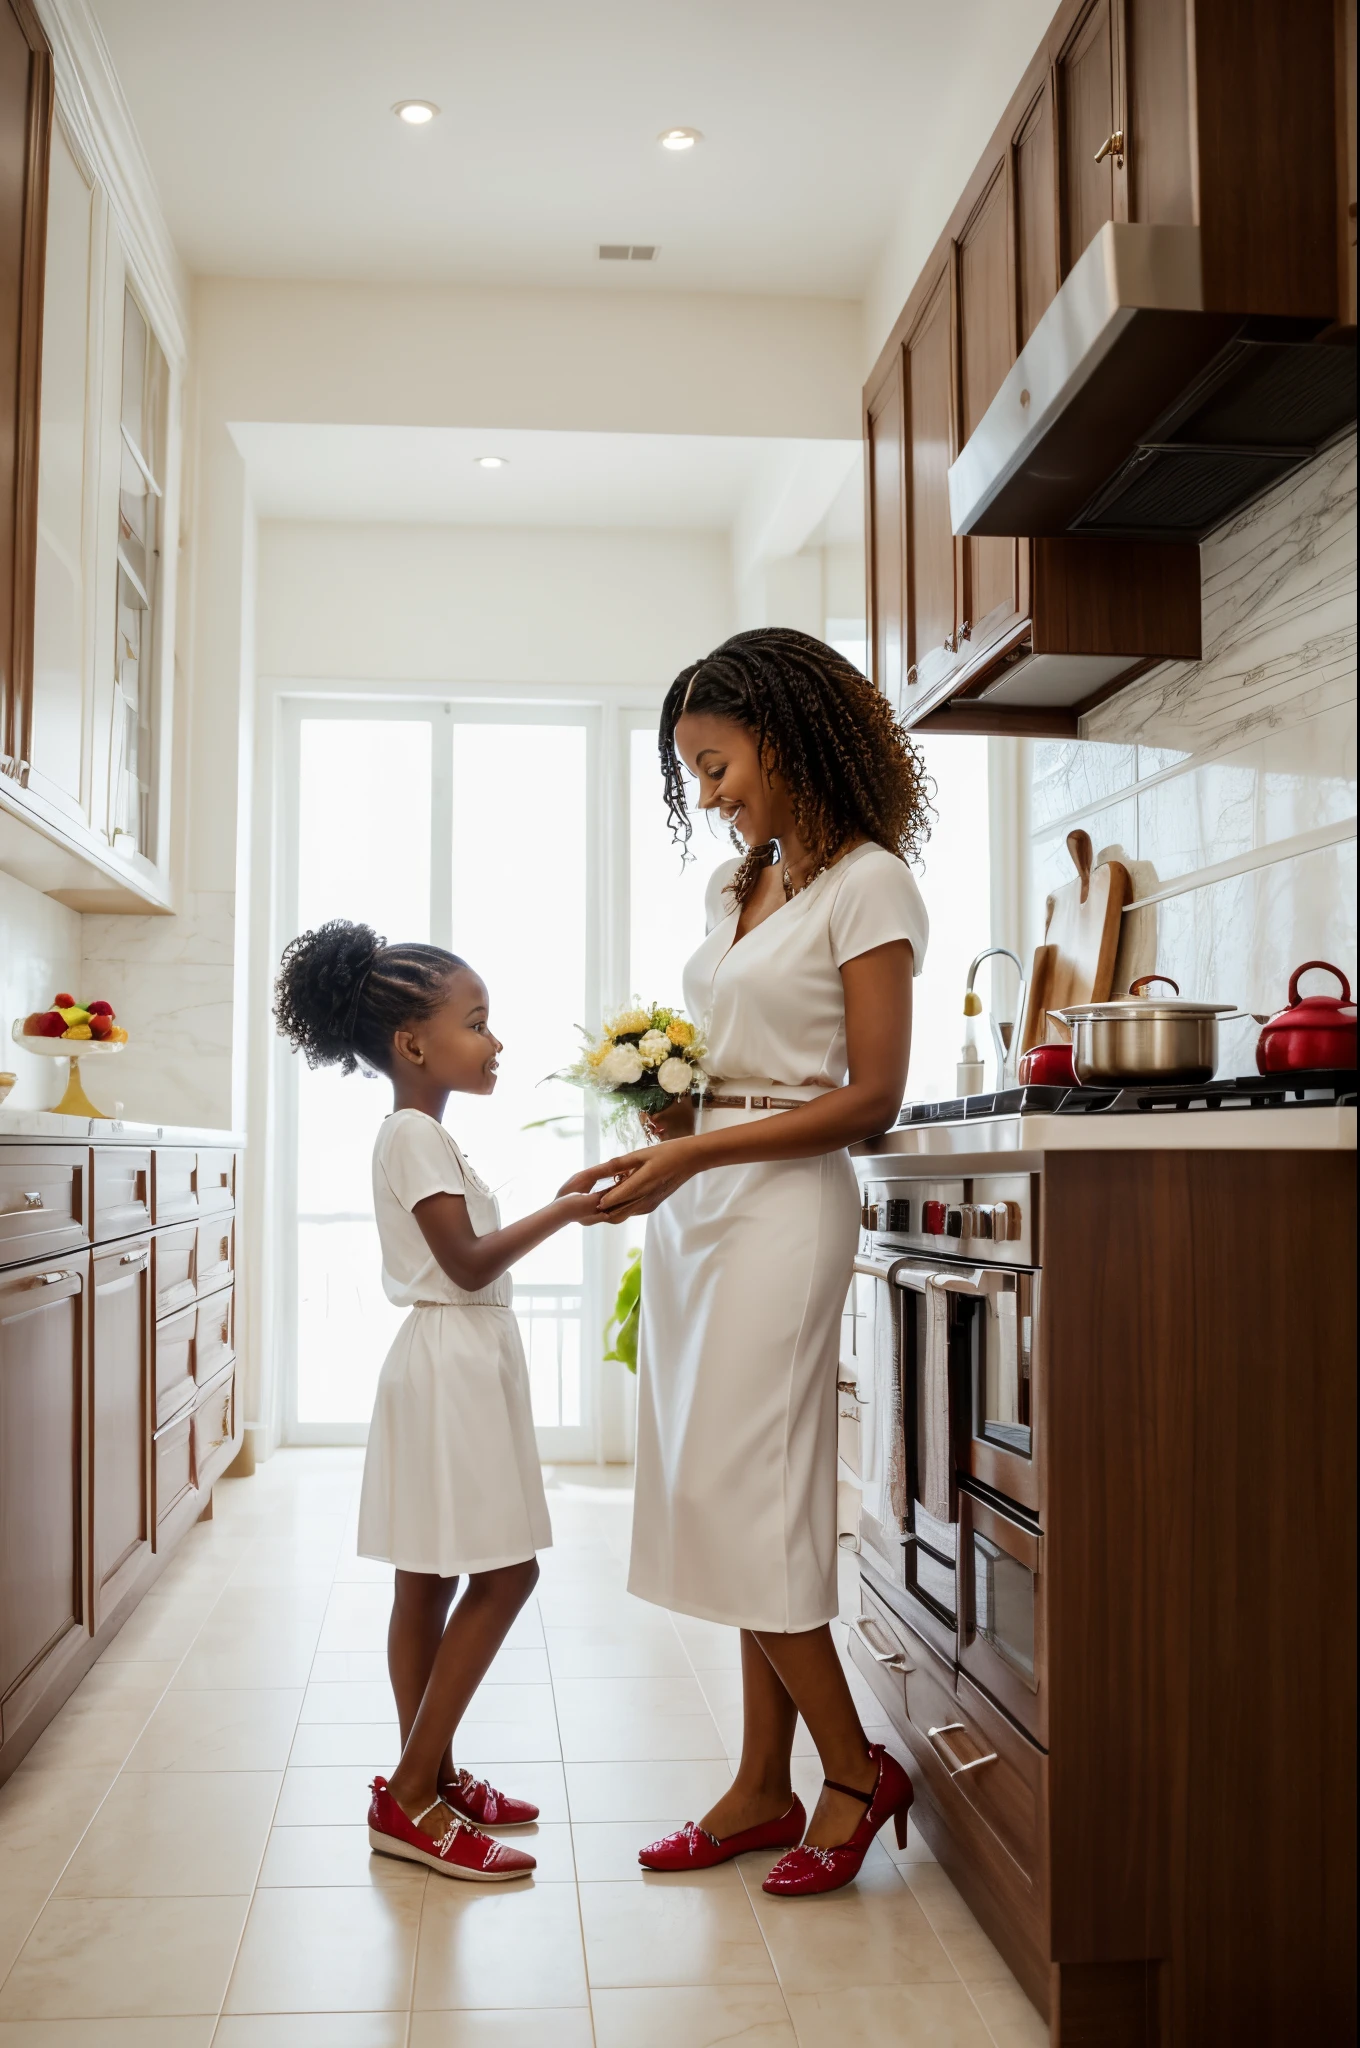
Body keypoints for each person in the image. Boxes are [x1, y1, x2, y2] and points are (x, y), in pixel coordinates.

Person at [558, 627, 931, 1896]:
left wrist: (702, 1154)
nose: (709, 795)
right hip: (703, 1202)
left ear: (784, 733)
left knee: (744, 1489)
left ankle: (851, 1768)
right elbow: (721, 1072)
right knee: (721, 1496)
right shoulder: (738, 887)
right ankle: (761, 1784)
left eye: (717, 765)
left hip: (778, 1209)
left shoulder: (868, 882)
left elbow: (873, 1096)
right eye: (696, 775)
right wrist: (665, 1128)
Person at [273, 922, 602, 1881]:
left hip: (448, 1362)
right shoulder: (416, 1135)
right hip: (453, 1361)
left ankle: (435, 1774)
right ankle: (411, 1795)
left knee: (428, 1577)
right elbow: (463, 1267)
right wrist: (569, 1207)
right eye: (477, 1022)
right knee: (506, 1576)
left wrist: (563, 1198)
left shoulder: (419, 1133)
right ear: (414, 1045)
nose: (495, 1042)